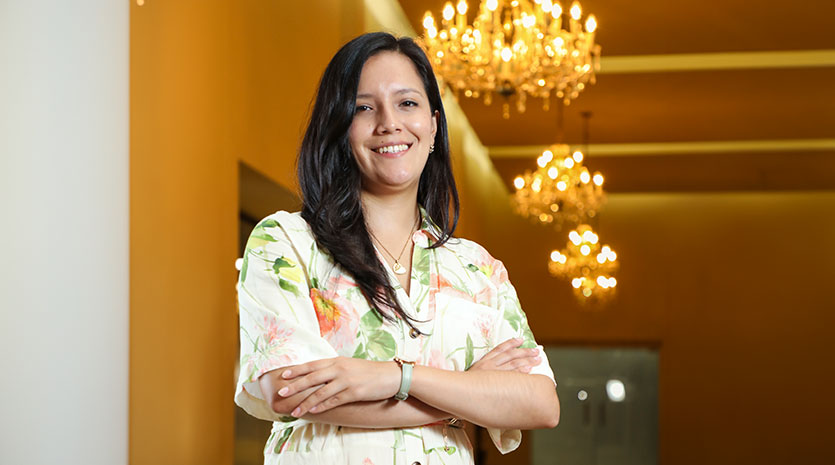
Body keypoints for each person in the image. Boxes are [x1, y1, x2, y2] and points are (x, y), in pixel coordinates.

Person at [235, 32, 560, 465]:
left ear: (433, 125)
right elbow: (289, 389)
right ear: (339, 127)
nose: (389, 123)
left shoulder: (476, 268)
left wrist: (396, 377)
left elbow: (540, 402)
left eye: (407, 103)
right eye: (363, 108)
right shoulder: (285, 242)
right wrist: (465, 395)